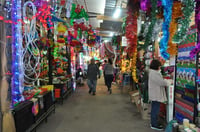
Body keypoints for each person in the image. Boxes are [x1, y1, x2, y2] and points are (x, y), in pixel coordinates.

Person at [148, 59, 169, 131]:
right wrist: (167, 81)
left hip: (155, 94)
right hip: (156, 94)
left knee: (155, 109)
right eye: (159, 66)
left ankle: (154, 123)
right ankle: (154, 124)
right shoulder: (154, 73)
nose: (160, 67)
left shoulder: (153, 72)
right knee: (155, 110)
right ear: (156, 66)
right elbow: (161, 82)